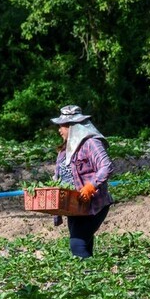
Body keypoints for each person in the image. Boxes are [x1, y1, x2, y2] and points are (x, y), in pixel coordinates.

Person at [51, 105, 113, 258]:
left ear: (73, 127)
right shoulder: (65, 150)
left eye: (62, 126)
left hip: (92, 205)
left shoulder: (91, 143)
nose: (59, 130)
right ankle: (92, 277)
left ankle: (87, 275)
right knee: (84, 243)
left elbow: (106, 166)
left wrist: (91, 186)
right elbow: (58, 177)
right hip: (73, 206)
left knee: (77, 244)